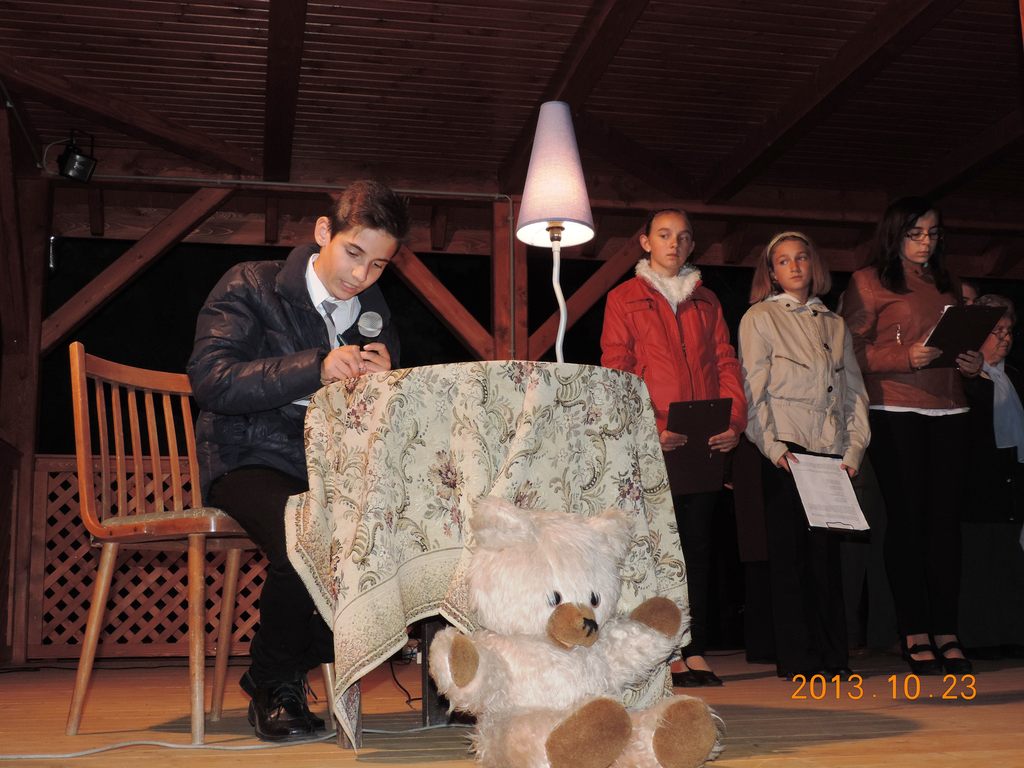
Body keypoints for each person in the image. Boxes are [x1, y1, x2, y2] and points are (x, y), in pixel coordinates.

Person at [187, 180, 409, 741]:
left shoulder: (374, 312)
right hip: (247, 455)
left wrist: (386, 387)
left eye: (378, 265)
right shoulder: (250, 283)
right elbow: (211, 379)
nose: (361, 275)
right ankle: (274, 682)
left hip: (333, 470)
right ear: (323, 232)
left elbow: (380, 422)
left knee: (413, 543)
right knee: (306, 534)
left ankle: (281, 662)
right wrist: (315, 367)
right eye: (353, 253)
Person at [600, 208, 747, 687]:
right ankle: (661, 652)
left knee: (697, 547)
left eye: (683, 237)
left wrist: (734, 421)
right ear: (645, 242)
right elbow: (618, 369)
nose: (674, 244)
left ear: (691, 245)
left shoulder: (706, 299)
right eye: (664, 235)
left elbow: (725, 362)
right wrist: (650, 427)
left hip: (703, 436)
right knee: (656, 550)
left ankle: (692, 646)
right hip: (654, 439)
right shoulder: (624, 297)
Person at [840, 196, 981, 676]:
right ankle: (914, 630)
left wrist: (972, 363)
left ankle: (947, 630)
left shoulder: (949, 283)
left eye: (933, 233)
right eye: (916, 233)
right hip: (896, 407)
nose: (926, 242)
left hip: (951, 407)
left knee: (945, 526)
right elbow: (849, 350)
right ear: (895, 234)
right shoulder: (867, 281)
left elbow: (961, 342)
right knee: (908, 522)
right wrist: (904, 358)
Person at [738, 231, 870, 679]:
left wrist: (853, 450)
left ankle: (834, 657)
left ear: (814, 265)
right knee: (790, 558)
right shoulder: (760, 318)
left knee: (827, 558)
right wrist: (773, 448)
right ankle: (799, 660)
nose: (794, 266)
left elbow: (854, 393)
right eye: (783, 261)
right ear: (771, 272)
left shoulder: (834, 323)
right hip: (787, 449)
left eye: (801, 258)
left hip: (830, 452)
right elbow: (752, 389)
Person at [959, 294, 1024, 654]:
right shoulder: (963, 379)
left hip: (1011, 482)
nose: (1005, 338)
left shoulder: (1014, 376)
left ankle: (1011, 635)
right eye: (997, 331)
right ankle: (979, 639)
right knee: (978, 562)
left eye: (1009, 330)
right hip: (976, 483)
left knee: (1009, 560)